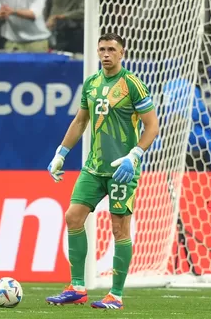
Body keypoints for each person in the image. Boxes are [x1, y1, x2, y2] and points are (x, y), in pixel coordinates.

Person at [45, 33, 160, 310]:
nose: (106, 54)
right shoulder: (92, 84)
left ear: (122, 53)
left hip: (123, 168)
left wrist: (134, 156)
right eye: (102, 49)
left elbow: (152, 126)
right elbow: (80, 121)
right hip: (94, 167)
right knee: (73, 216)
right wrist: (61, 153)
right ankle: (77, 287)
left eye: (111, 49)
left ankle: (116, 295)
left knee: (119, 227)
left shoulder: (133, 85)